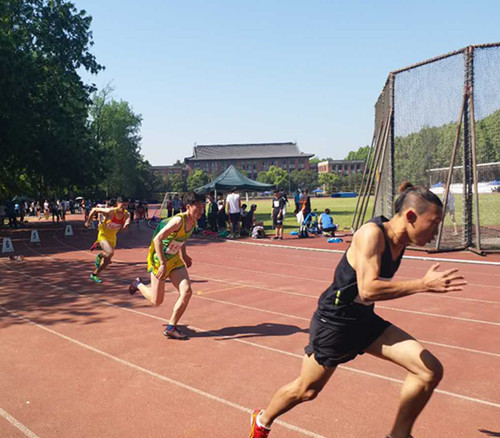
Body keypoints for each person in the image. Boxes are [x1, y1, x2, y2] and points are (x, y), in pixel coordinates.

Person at [249, 182, 467, 438]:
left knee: (429, 370)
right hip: (335, 322)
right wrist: (423, 285)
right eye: (434, 223)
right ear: (410, 216)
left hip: (364, 320)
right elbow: (368, 290)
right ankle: (262, 421)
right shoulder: (371, 234)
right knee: (306, 390)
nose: (436, 232)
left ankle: (399, 435)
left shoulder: (401, 240)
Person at [128, 192, 206, 340]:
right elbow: (157, 239)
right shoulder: (178, 221)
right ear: (188, 207)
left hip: (174, 259)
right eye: (198, 207)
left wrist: (184, 255)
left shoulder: (193, 221)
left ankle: (171, 327)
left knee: (187, 291)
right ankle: (137, 284)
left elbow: (181, 238)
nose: (201, 210)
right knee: (157, 301)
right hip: (159, 260)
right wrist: (163, 263)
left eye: (203, 207)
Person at [85, 197, 131, 283]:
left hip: (112, 237)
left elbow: (127, 221)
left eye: (126, 205)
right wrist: (88, 221)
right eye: (122, 205)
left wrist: (126, 225)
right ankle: (100, 255)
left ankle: (94, 274)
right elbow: (94, 209)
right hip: (103, 235)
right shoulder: (111, 211)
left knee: (107, 261)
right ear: (117, 203)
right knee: (110, 253)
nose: (124, 207)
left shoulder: (126, 214)